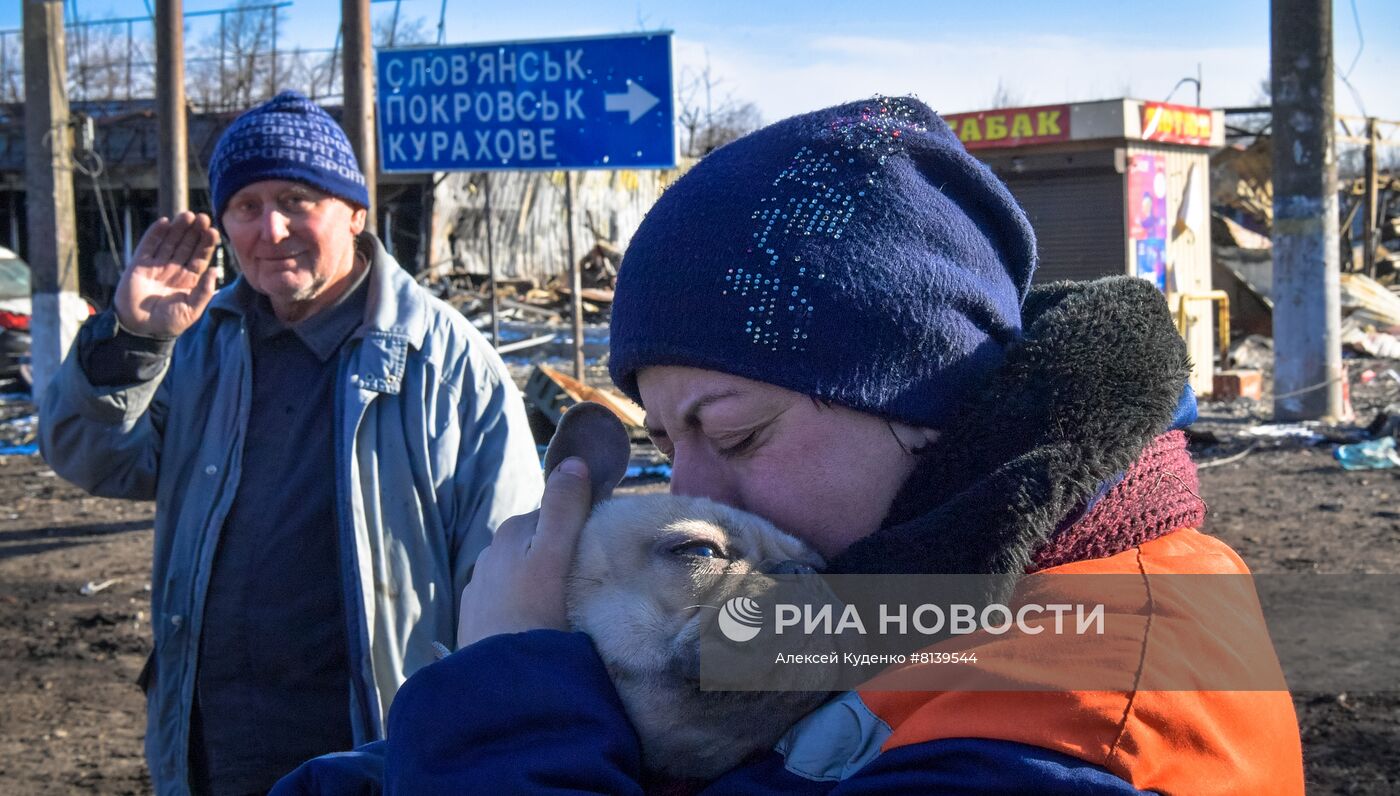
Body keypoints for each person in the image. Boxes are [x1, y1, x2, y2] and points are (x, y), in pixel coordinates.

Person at [276, 96, 1304, 794]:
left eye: (734, 430)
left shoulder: (1077, 717)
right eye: (667, 435)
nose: (690, 482)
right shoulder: (901, 583)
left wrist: (505, 691)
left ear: (922, 393)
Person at [39, 91, 543, 795]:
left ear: (355, 214)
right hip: (209, 746)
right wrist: (133, 341)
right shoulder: (202, 342)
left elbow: (510, 583)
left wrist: (469, 753)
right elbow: (98, 459)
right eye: (247, 206)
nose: (271, 229)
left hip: (374, 751)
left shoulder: (448, 363)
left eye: (297, 199)